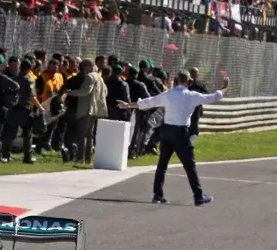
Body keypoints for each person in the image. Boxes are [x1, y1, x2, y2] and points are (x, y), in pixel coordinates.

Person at [118, 70, 230, 206]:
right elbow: (214, 97)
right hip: (181, 133)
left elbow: (149, 102)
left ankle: (158, 195)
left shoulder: (169, 94)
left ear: (176, 81)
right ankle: (198, 196)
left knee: (162, 165)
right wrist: (225, 87)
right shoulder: (192, 95)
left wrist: (129, 105)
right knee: (190, 166)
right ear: (189, 82)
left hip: (167, 132)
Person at [62, 59, 107, 163]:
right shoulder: (99, 77)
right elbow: (105, 92)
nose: (82, 69)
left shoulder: (89, 77)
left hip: (87, 109)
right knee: (90, 135)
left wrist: (71, 92)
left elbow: (86, 91)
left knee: (81, 134)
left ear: (88, 66)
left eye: (83, 67)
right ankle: (88, 158)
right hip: (96, 110)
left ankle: (79, 157)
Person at [2, 59, 44, 164]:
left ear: (21, 67)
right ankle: (27, 157)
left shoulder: (14, 79)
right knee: (27, 135)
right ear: (30, 69)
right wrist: (40, 107)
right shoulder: (29, 81)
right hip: (24, 110)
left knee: (10, 133)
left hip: (13, 109)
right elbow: (32, 96)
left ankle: (6, 155)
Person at [187, 67, 208, 141]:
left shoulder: (200, 84)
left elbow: (205, 91)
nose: (193, 74)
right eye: (191, 72)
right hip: (186, 107)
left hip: (196, 108)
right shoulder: (186, 83)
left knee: (194, 125)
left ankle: (191, 139)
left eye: (194, 73)